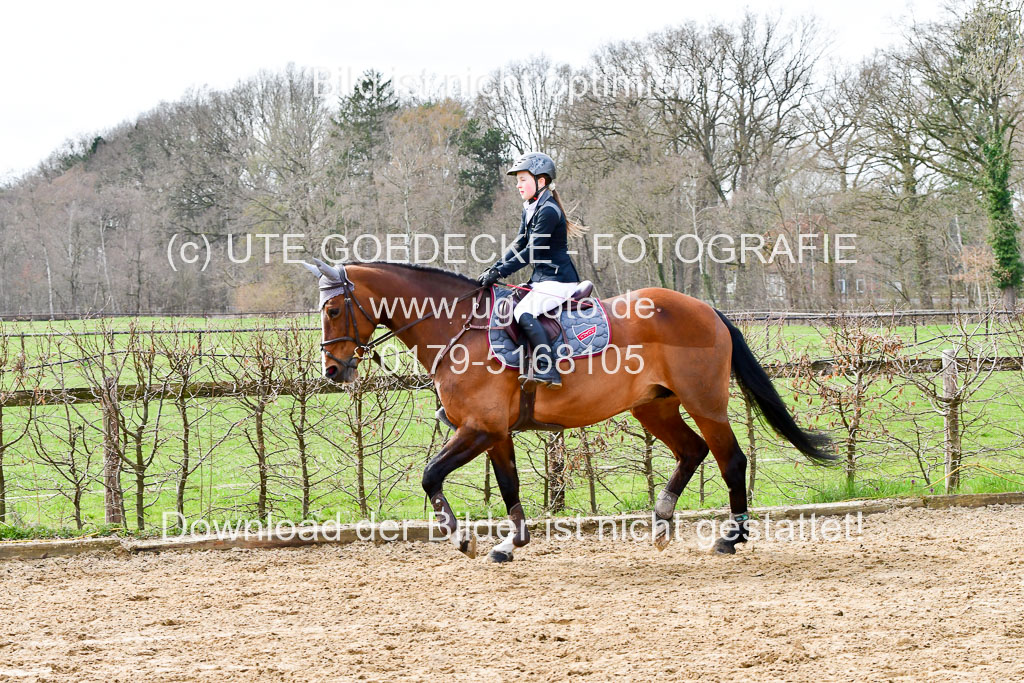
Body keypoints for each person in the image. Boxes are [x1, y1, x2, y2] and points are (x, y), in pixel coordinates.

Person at [477, 152, 587, 389]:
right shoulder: (531, 207)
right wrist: (494, 268)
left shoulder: (548, 210)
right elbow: (518, 244)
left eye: (523, 179)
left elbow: (532, 252)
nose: (518, 185)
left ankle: (549, 369)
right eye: (517, 180)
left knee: (523, 313)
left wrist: (501, 273)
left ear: (541, 181)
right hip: (542, 279)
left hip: (559, 281)